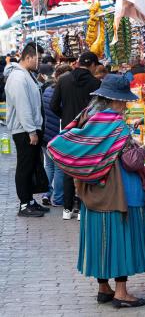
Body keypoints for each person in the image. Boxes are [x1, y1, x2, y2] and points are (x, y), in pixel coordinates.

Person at [47, 74, 145, 308]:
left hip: (91, 192)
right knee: (120, 239)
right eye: (124, 102)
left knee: (100, 241)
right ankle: (121, 293)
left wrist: (88, 167)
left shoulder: (86, 118)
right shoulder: (115, 125)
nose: (125, 106)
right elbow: (131, 162)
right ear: (116, 101)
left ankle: (104, 288)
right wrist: (142, 149)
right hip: (116, 192)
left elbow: (57, 144)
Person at [51, 51, 101, 220]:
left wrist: (66, 117)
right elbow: (99, 109)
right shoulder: (95, 83)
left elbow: (53, 105)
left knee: (68, 167)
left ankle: (67, 209)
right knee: (85, 168)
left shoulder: (64, 80)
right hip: (89, 130)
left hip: (68, 129)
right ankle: (81, 208)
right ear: (93, 65)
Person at [4, 42, 50, 217]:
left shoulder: (27, 75)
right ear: (29, 57)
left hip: (30, 128)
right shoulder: (18, 78)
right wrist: (31, 131)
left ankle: (30, 200)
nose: (39, 62)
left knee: (30, 165)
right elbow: (23, 106)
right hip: (24, 131)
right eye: (37, 58)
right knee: (25, 167)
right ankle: (24, 204)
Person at [41, 64, 73, 206]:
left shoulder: (47, 90)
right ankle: (58, 199)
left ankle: (46, 194)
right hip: (56, 135)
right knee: (60, 168)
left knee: (49, 166)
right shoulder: (63, 93)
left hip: (46, 135)